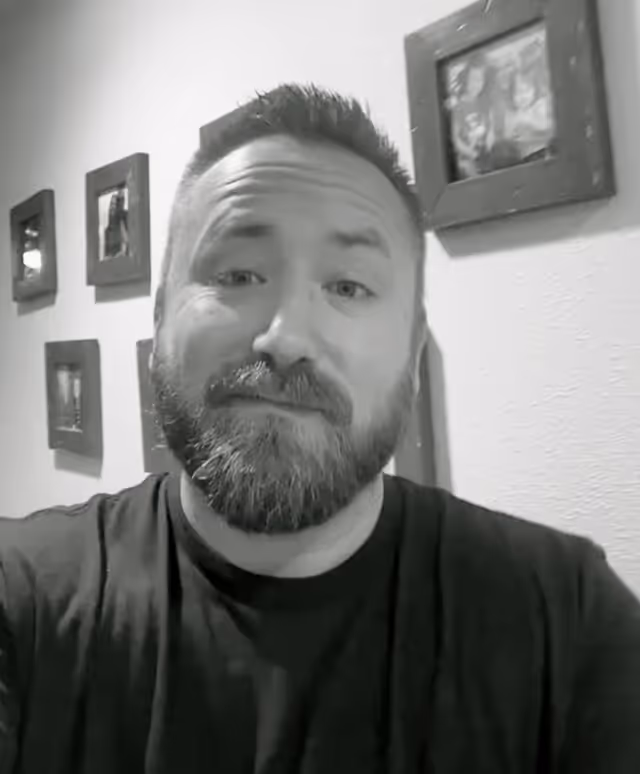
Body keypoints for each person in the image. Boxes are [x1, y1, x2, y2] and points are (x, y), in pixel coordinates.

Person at [1, 83, 639, 774]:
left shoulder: (567, 620)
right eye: (237, 274)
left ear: (413, 356)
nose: (287, 338)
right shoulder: (23, 598)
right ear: (159, 323)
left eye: (348, 286)